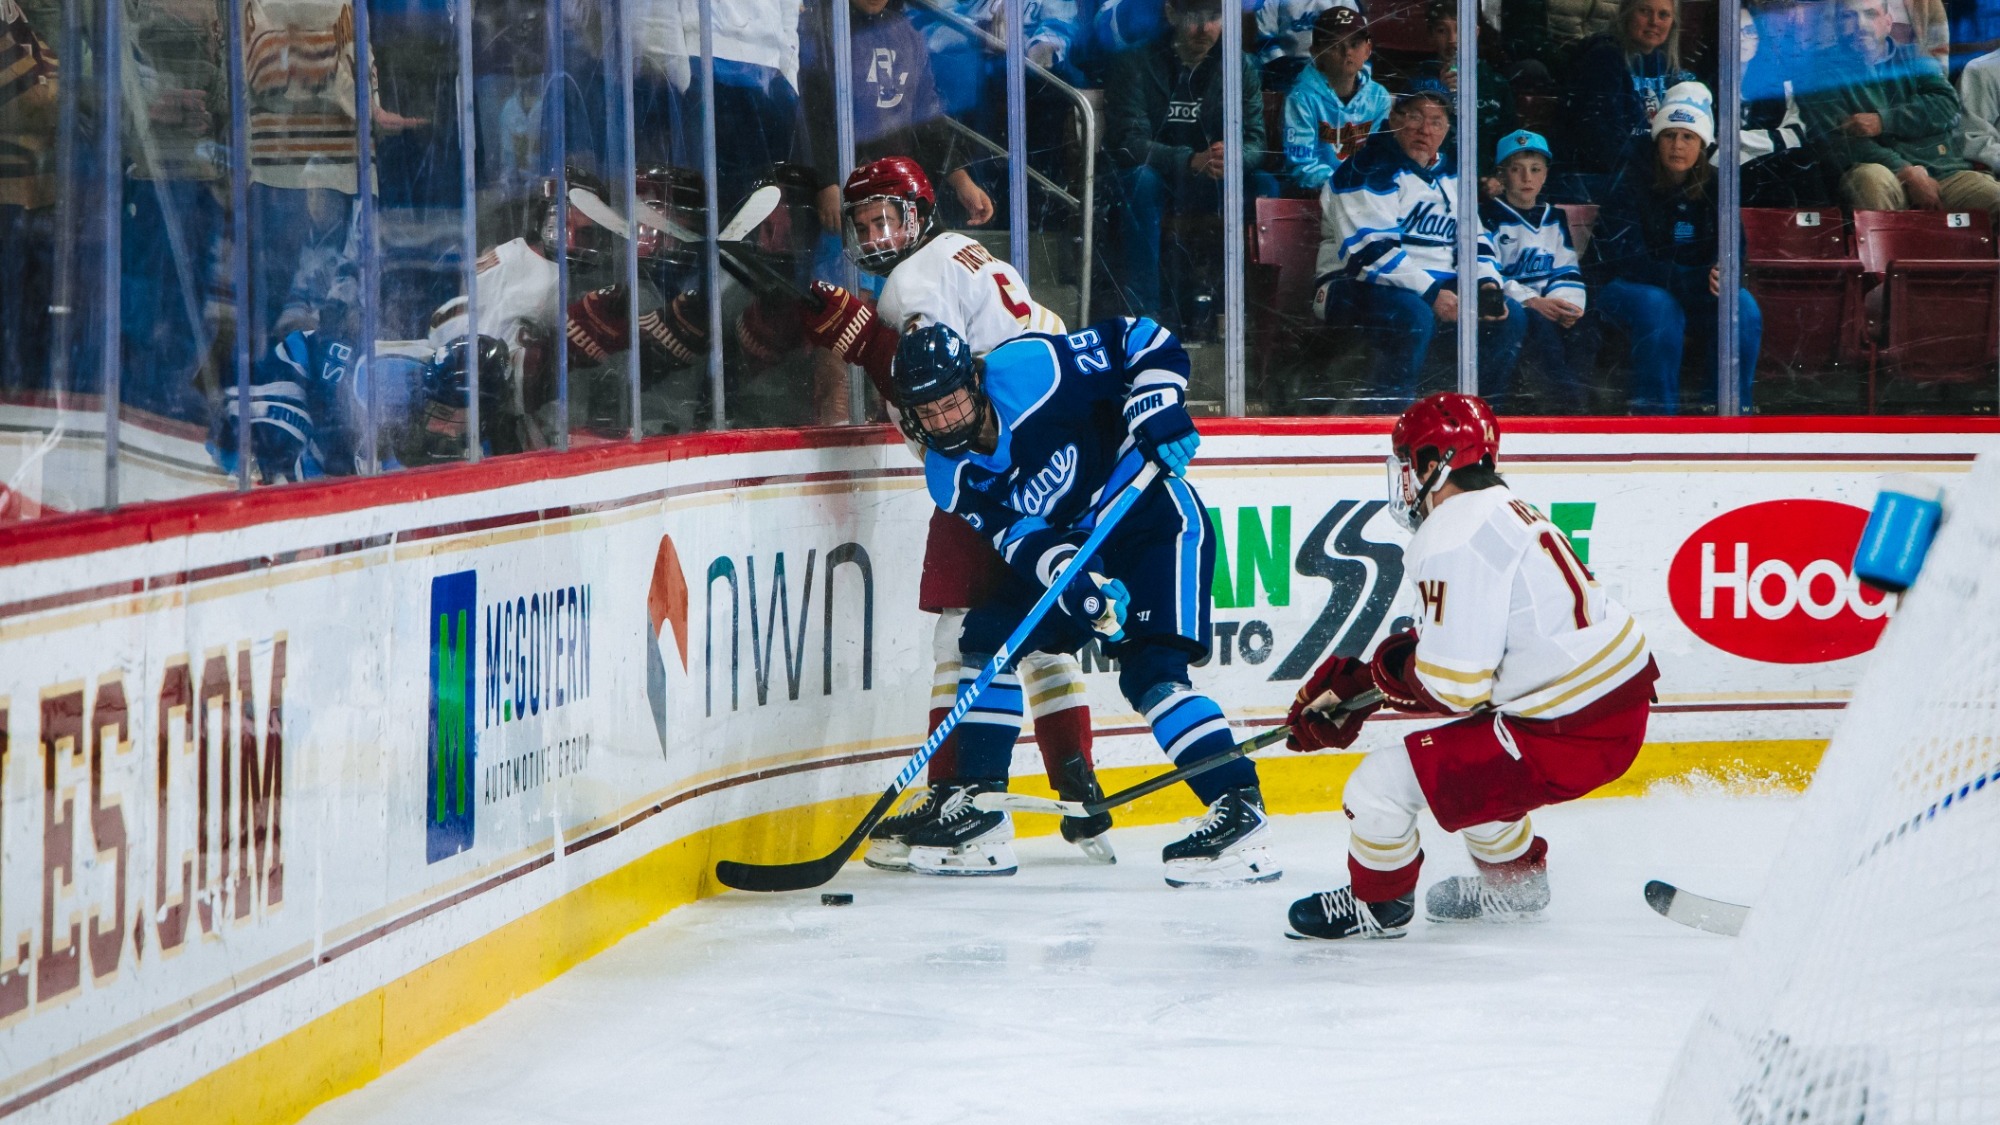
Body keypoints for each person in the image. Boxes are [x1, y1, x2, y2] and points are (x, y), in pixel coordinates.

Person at [793, 157, 1117, 868]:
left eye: (889, 218)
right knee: (1036, 628)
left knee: (962, 634)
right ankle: (1077, 780)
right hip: (1056, 454)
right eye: (866, 222)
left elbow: (933, 386)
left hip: (992, 461)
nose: (877, 234)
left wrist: (869, 341)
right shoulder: (973, 254)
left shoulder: (914, 280)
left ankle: (962, 798)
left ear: (920, 214)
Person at [885, 317, 1281, 886]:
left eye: (951, 401)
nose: (945, 420)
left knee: (1152, 675)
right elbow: (1019, 540)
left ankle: (1238, 807)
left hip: (1153, 521)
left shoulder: (1030, 370)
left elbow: (1143, 339)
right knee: (989, 634)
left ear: (971, 382)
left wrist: (1157, 405)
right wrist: (1075, 581)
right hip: (1078, 548)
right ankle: (982, 809)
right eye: (929, 412)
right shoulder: (948, 474)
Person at [1284, 392, 1658, 939]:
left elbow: (1456, 687)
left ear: (1434, 464)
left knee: (1378, 786)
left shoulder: (1451, 533)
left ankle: (1378, 905)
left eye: (1409, 462)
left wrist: (1371, 688)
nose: (1405, 480)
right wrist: (1365, 683)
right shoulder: (1504, 510)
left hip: (1568, 727)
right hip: (1602, 709)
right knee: (1474, 773)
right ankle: (1516, 887)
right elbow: (1475, 644)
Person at [1315, 88, 1523, 405]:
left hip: (1432, 287)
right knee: (1414, 315)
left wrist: (1486, 282)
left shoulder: (1452, 173)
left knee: (1511, 316)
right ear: (1394, 119)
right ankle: (1388, 420)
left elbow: (1475, 238)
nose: (1425, 130)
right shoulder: (1367, 166)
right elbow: (1370, 253)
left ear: (1447, 129)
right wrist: (1431, 293)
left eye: (1436, 122)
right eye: (1415, 117)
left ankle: (1477, 414)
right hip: (1352, 284)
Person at [1104, 0, 1276, 337]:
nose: (1204, 29)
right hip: (1161, 179)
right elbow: (1129, 141)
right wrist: (1188, 160)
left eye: (1213, 18)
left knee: (1265, 187)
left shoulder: (1240, 66)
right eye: (1194, 17)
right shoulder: (1135, 62)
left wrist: (1234, 156)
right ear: (1171, 14)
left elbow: (1256, 140)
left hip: (1213, 179)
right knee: (1140, 181)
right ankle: (1145, 317)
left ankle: (1251, 316)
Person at [1589, 82, 1761, 413]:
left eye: (1688, 136)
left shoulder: (1716, 183)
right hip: (1628, 287)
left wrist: (1723, 272)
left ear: (1702, 144)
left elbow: (1733, 247)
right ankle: (1656, 415)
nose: (1677, 145)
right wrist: (1695, 279)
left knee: (1742, 305)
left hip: (1686, 288)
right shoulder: (1631, 177)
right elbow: (1627, 259)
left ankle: (1726, 411)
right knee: (1659, 305)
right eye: (1669, 135)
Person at [1803, 0, 2000, 223]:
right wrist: (1906, 171)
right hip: (1881, 172)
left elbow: (1946, 105)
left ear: (1888, 22)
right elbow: (1839, 141)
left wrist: (1883, 121)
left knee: (1994, 196)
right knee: (1870, 181)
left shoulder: (1915, 58)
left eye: (1870, 14)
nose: (1860, 24)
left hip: (1944, 171)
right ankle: (1882, 257)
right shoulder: (1820, 74)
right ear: (1837, 27)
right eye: (1848, 17)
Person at [1482, 130, 1594, 412]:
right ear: (1501, 175)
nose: (1526, 178)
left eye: (1535, 170)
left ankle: (1586, 406)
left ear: (1545, 175)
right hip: (1521, 306)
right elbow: (1489, 271)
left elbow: (1566, 266)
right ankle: (1569, 410)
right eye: (1516, 170)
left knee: (1586, 331)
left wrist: (1565, 305)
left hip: (1552, 304)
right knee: (1542, 333)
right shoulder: (1488, 215)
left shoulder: (1554, 217)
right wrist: (1532, 300)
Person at [1560, 0, 1694, 188]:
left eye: (1663, 15)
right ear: (1626, 14)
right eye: (1645, 11)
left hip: (1654, 177)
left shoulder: (1668, 66)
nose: (1654, 21)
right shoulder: (1603, 59)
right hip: (1610, 179)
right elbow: (1603, 140)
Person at [1281, 7, 1391, 193]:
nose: (1347, 52)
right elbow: (1302, 165)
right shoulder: (1302, 96)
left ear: (1368, 49)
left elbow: (1379, 157)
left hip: (1364, 192)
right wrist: (1344, 184)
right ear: (1316, 52)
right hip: (1315, 194)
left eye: (1355, 44)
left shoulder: (1379, 97)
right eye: (1334, 45)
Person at [1408, 0, 1516, 178]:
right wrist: (1440, 94)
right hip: (1431, 181)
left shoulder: (1496, 84)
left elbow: (1509, 144)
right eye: (1442, 31)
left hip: (1482, 184)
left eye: (1460, 29)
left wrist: (1498, 179)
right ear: (1431, 36)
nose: (1452, 40)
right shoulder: (1417, 83)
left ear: (1475, 32)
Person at [1736, 6, 1827, 208]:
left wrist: (1739, 140)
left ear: (1759, 36)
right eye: (1734, 30)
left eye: (1749, 31)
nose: (1742, 38)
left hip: (1769, 167)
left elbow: (1796, 134)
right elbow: (1713, 148)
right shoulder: (1707, 84)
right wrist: (1772, 139)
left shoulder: (1778, 81)